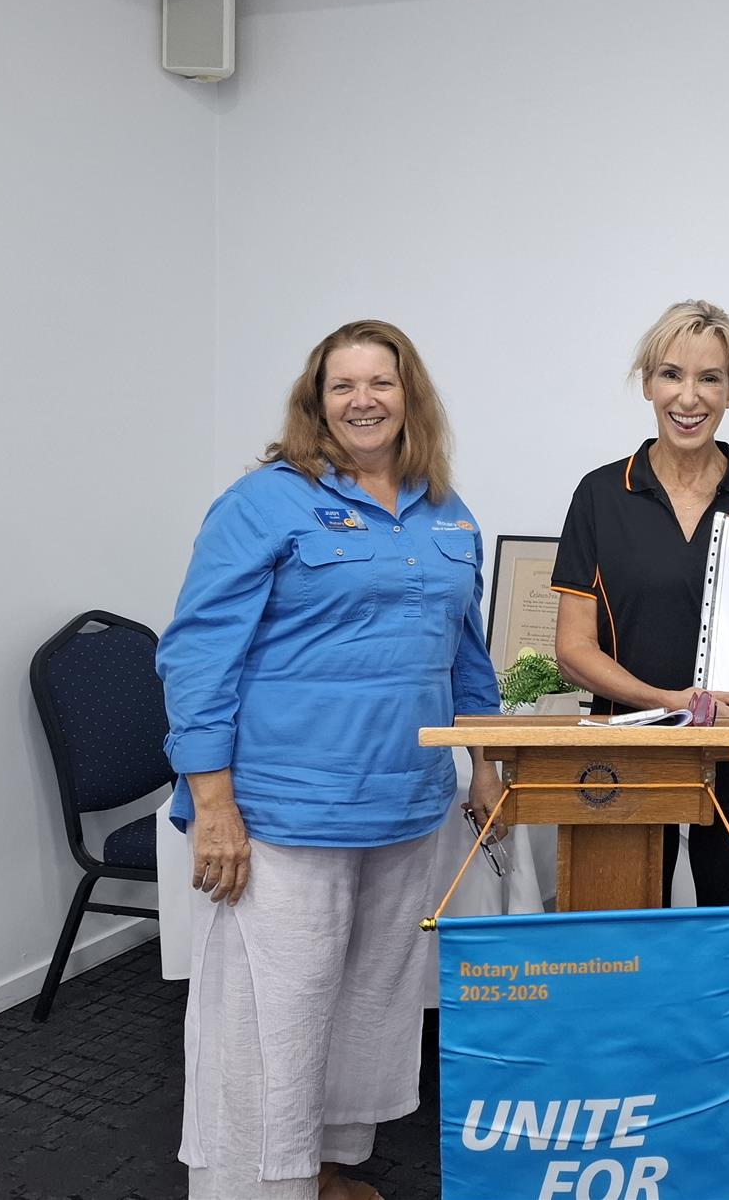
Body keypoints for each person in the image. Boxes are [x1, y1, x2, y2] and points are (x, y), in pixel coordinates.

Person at [157, 320, 504, 1200]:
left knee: (368, 1004)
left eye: (380, 382)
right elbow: (197, 656)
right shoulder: (263, 502)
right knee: (272, 1015)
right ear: (316, 402)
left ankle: (325, 1168)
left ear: (408, 395)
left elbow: (466, 653)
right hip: (284, 808)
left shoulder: (447, 510)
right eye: (342, 385)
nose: (362, 400)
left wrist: (487, 763)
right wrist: (214, 803)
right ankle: (252, 1190)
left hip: (406, 803)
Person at [551, 300, 729, 909]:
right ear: (647, 384)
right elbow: (573, 651)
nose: (689, 397)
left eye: (709, 378)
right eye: (671, 375)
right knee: (620, 947)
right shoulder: (600, 495)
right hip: (624, 763)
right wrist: (674, 704)